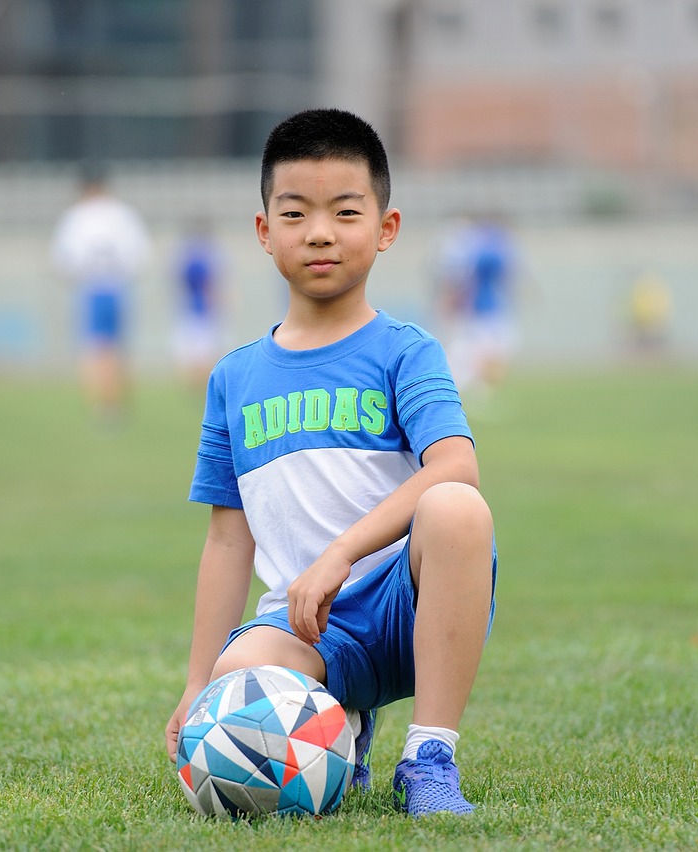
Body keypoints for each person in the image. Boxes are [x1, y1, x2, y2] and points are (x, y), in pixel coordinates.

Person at [164, 109, 497, 817]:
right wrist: (197, 686)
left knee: (457, 506)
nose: (319, 232)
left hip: (405, 605)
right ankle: (340, 736)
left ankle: (428, 757)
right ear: (264, 232)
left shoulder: (407, 352)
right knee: (236, 677)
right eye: (295, 213)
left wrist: (341, 553)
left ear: (386, 228)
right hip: (305, 624)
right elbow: (228, 539)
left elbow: (456, 467)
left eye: (345, 212)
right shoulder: (234, 377)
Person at [51, 162, 151, 422]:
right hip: (118, 287)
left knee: (95, 349)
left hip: (91, 288)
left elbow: (63, 261)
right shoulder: (122, 214)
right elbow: (139, 256)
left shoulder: (76, 216)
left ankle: (100, 405)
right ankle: (118, 401)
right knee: (118, 348)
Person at [436, 212, 521, 404]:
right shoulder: (483, 251)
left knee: (483, 351)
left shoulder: (480, 249)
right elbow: (467, 279)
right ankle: (464, 389)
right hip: (481, 309)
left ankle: (477, 391)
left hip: (484, 308)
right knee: (478, 352)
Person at [170, 219, 227, 391]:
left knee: (195, 350)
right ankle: (202, 384)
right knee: (203, 350)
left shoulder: (185, 255)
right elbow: (209, 283)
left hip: (191, 308)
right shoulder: (206, 256)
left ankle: (197, 384)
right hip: (202, 309)